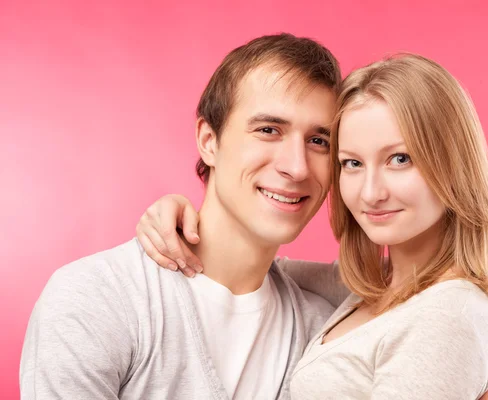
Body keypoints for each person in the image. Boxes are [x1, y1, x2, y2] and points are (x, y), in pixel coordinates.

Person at [138, 54, 488, 399]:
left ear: (453, 164)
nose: (371, 193)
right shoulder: (375, 286)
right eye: (352, 163)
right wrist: (179, 219)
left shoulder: (448, 313)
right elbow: (261, 266)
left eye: (400, 159)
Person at [20, 33, 342, 399]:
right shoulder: (97, 298)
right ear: (208, 141)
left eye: (319, 141)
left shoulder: (325, 331)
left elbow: (411, 286)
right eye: (268, 130)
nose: (297, 167)